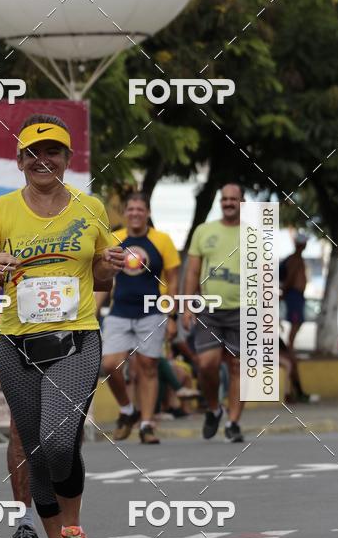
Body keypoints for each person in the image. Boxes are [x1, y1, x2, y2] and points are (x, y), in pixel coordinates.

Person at [0, 114, 124, 538]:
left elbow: (102, 277)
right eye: (33, 153)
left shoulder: (90, 207)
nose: (42, 160)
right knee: (33, 450)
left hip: (75, 340)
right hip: (17, 344)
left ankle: (73, 532)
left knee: (56, 442)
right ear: (19, 161)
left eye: (52, 152)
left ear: (67, 159)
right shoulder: (2, 210)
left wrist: (109, 265)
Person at [97, 193, 181, 445]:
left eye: (140, 209)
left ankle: (146, 425)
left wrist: (172, 316)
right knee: (110, 365)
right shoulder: (115, 239)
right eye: (131, 209)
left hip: (151, 313)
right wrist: (93, 310)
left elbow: (173, 279)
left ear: (148, 213)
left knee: (148, 367)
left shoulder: (162, 240)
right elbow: (104, 278)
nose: (135, 213)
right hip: (119, 312)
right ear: (125, 213)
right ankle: (127, 410)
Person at [182, 183, 245, 442]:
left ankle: (233, 423)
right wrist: (188, 305)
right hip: (209, 309)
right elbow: (193, 271)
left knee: (239, 367)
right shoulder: (204, 231)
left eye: (233, 199)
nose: (228, 203)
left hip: (244, 309)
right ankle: (214, 408)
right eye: (224, 199)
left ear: (243, 202)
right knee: (207, 364)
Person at [280, 233, 308, 350]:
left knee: (297, 322)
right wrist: (284, 292)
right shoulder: (295, 259)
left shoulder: (298, 258)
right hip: (293, 294)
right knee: (296, 322)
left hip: (297, 294)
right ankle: (290, 349)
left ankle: (290, 347)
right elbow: (290, 277)